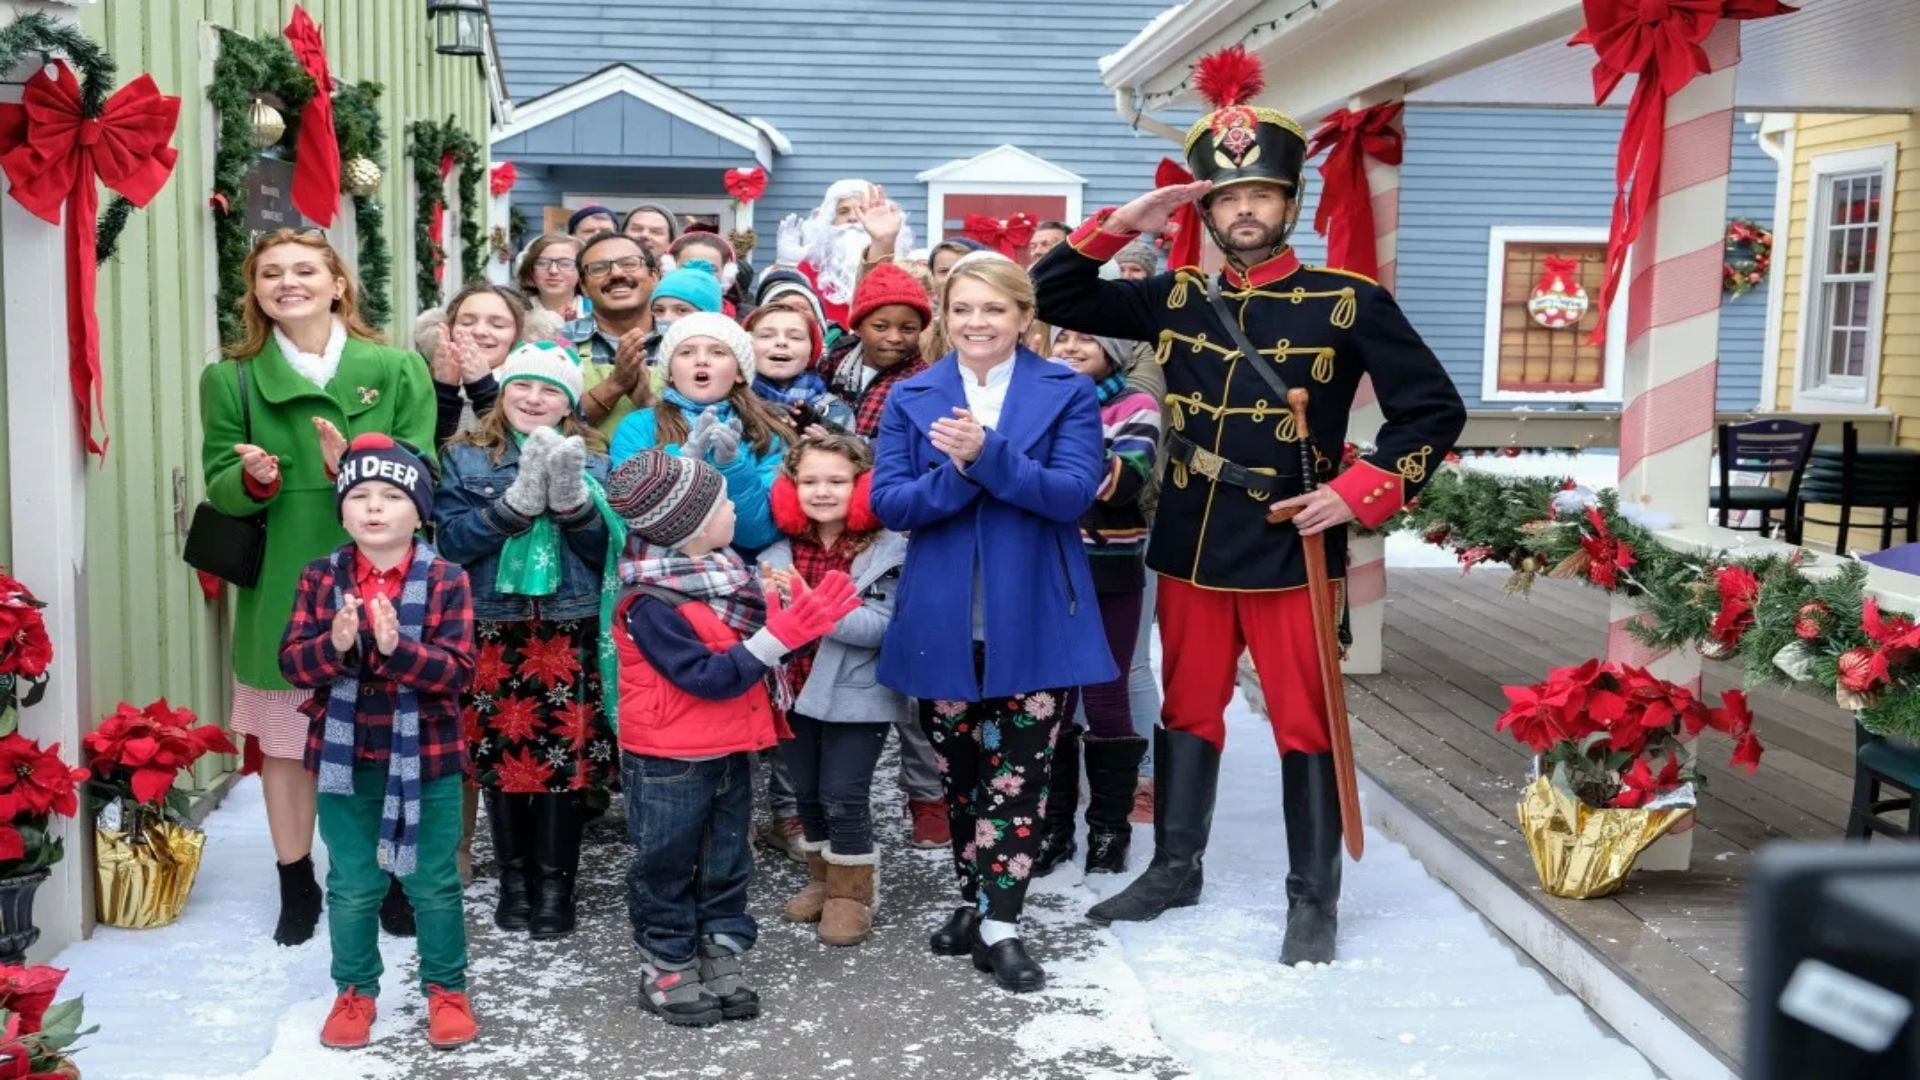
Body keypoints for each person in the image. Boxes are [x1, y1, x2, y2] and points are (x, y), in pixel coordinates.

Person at [1030, 46, 1467, 966]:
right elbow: (1053, 293)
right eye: (1226, 198)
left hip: (1290, 543)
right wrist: (1123, 224)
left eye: (1260, 195)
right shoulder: (1175, 295)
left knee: (1306, 723)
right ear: (1210, 208)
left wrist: (1356, 493)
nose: (1243, 211)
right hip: (1190, 536)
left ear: (1288, 203)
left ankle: (1313, 898)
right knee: (1189, 709)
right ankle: (1175, 867)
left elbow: (1434, 409)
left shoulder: (1351, 302)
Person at [869, 251, 1116, 993]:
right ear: (945, 316)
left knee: (1021, 775)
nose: (978, 322)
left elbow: (1073, 495)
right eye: (964, 308)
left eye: (994, 309)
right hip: (944, 614)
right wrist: (961, 470)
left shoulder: (1068, 391)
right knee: (963, 774)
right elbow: (892, 504)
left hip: (1035, 609)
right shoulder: (913, 394)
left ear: (1023, 317)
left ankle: (1002, 922)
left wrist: (989, 454)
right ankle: (974, 902)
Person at [198, 228, 436, 948]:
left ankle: (387, 874)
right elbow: (218, 485)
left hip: (382, 577)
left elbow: (426, 475)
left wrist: (360, 461)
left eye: (305, 269)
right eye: (271, 273)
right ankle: (296, 880)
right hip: (283, 583)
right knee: (286, 745)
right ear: (256, 292)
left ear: (339, 284)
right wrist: (253, 478)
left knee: (386, 740)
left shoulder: (395, 369)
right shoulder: (231, 379)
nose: (288, 282)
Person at [606, 449, 860, 1026]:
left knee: (727, 857)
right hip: (669, 759)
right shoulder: (650, 603)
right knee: (666, 862)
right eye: (723, 503)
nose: (734, 510)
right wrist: (779, 634)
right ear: (690, 525)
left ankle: (720, 948)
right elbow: (709, 676)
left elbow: (748, 654)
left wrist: (791, 618)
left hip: (728, 749)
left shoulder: (726, 578)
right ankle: (666, 961)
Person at [278, 433, 477, 1050]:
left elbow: (459, 673)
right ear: (342, 509)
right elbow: (291, 665)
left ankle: (446, 989)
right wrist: (333, 646)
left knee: (433, 882)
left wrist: (397, 650)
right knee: (354, 882)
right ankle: (355, 991)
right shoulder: (320, 578)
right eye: (358, 494)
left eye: (390, 494)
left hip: (430, 760)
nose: (373, 506)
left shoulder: (447, 578)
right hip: (346, 760)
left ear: (418, 510)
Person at [434, 342, 616, 941]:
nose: (534, 400)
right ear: (503, 390)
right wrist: (511, 510)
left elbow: (607, 553)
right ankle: (515, 884)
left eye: (550, 392)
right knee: (500, 762)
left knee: (563, 766)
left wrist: (571, 507)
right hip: (495, 624)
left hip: (566, 624)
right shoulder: (466, 458)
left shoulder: (591, 460)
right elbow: (453, 543)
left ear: (568, 404)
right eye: (522, 387)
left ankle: (557, 885)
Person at [757, 434, 907, 947]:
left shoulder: (886, 551)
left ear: (862, 485)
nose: (821, 492)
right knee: (807, 792)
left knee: (844, 794)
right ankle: (822, 880)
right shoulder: (779, 550)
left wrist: (813, 608)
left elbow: (881, 627)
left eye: (837, 481)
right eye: (809, 481)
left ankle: (852, 895)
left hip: (856, 691)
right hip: (793, 689)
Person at [1031, 329, 1161, 878]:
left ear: (1117, 350)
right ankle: (1054, 827)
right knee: (1050, 699)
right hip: (1044, 567)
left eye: (1088, 339)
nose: (1072, 347)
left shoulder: (1136, 405)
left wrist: (1063, 436)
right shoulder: (1033, 399)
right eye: (1063, 338)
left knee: (1106, 693)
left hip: (1110, 568)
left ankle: (1110, 830)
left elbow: (1120, 482)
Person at [608, 312, 791, 560]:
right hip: (658, 575)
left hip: (742, 578)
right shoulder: (637, 427)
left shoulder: (770, 433)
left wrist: (732, 467)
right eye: (686, 352)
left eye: (718, 352)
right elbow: (625, 518)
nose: (701, 360)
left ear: (739, 372)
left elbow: (760, 533)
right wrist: (681, 464)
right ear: (670, 372)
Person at [816, 262, 931, 440]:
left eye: (907, 329)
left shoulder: (921, 383)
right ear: (858, 328)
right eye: (880, 327)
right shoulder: (834, 361)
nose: (894, 337)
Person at [778, 180, 914, 328]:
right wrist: (786, 266)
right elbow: (782, 312)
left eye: (862, 210)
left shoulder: (903, 269)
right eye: (843, 211)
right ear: (830, 221)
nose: (853, 218)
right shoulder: (809, 269)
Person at [568, 233, 661, 434]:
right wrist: (616, 384)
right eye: (599, 268)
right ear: (583, 287)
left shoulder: (686, 340)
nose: (617, 273)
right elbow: (550, 424)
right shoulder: (560, 342)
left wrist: (647, 402)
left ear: (654, 276)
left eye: (629, 263)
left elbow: (704, 430)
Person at [419, 283, 528, 450]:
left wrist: (481, 386)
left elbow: (513, 451)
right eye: (467, 322)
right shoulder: (420, 380)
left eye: (497, 325)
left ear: (517, 334)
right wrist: (444, 389)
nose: (479, 331)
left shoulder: (532, 386)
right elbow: (427, 454)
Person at [747, 305, 855, 435]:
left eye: (795, 337)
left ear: (812, 351)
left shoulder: (835, 410)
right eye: (766, 335)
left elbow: (855, 453)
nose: (781, 342)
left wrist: (831, 448)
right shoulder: (732, 402)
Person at [517, 234, 587, 321]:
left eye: (565, 264)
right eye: (542, 263)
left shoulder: (599, 313)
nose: (553, 271)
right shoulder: (515, 312)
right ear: (530, 270)